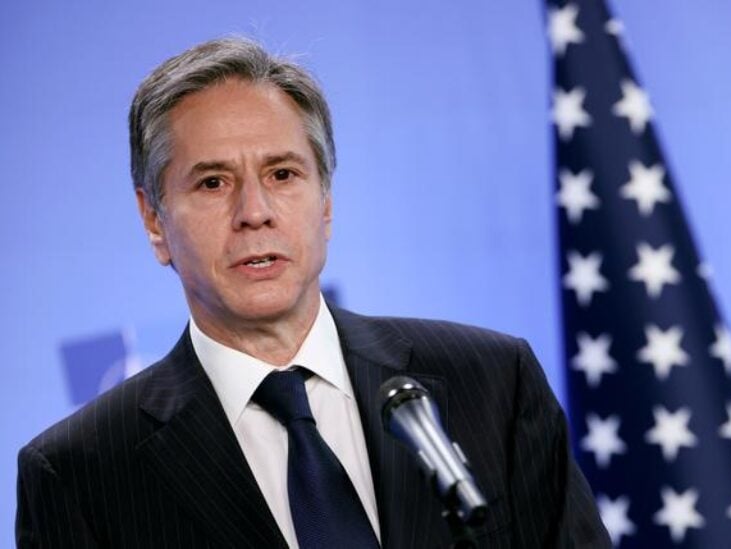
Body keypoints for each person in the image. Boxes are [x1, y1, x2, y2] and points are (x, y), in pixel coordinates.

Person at [16, 37, 610, 548]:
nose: (254, 213)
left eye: (282, 174)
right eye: (213, 182)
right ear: (154, 221)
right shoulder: (79, 473)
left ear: (325, 201)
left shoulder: (493, 384)